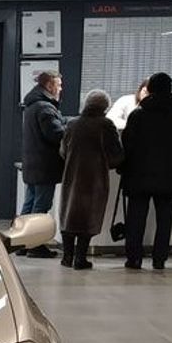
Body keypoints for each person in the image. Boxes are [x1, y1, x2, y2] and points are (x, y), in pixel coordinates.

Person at [119, 72, 172, 270]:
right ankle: (159, 259)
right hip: (170, 175)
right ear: (170, 88)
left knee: (136, 218)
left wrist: (125, 167)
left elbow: (127, 144)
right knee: (165, 220)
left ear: (150, 89)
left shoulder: (138, 114)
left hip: (138, 175)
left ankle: (134, 258)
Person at [58, 90, 123, 270]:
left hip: (72, 175)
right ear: (105, 107)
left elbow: (63, 150)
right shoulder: (106, 125)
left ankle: (67, 257)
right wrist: (108, 164)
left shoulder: (72, 124)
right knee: (88, 217)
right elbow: (117, 155)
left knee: (69, 215)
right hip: (95, 178)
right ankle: (80, 258)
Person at [20, 70, 65, 258]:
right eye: (59, 85)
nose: (60, 89)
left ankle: (22, 243)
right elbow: (55, 134)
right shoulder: (45, 108)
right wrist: (69, 127)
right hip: (45, 166)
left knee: (29, 205)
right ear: (49, 85)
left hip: (33, 164)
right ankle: (35, 246)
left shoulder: (32, 105)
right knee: (40, 207)